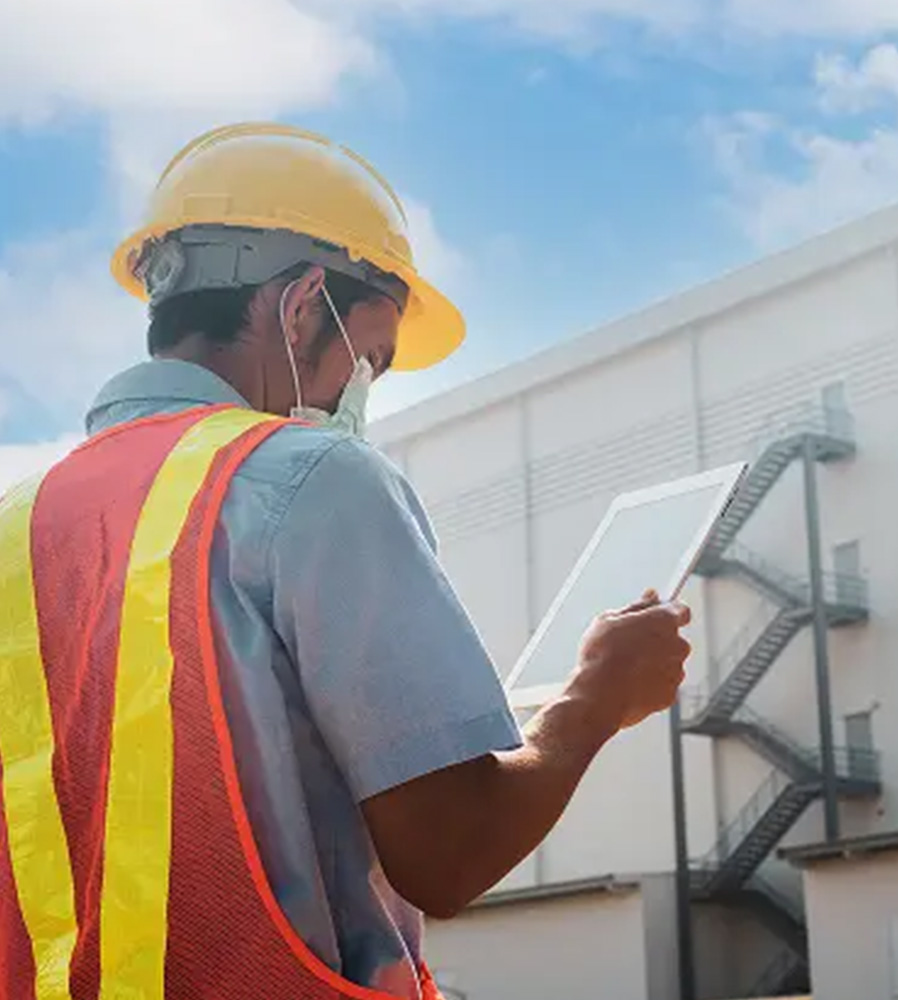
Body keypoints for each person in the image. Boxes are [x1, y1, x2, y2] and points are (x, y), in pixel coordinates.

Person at [0, 123, 691, 1000]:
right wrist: (595, 699)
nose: (363, 392)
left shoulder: (17, 523)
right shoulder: (307, 478)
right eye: (371, 356)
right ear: (300, 307)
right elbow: (448, 852)